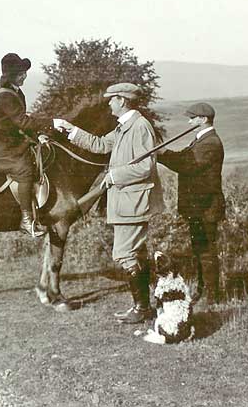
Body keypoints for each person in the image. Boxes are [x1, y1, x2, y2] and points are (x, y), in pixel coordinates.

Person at [54, 83, 164, 323]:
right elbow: (100, 145)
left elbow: (146, 166)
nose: (108, 103)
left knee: (124, 253)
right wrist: (70, 130)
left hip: (133, 201)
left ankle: (141, 308)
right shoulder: (125, 127)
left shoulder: (139, 127)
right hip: (126, 200)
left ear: (122, 100)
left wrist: (114, 175)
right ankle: (143, 306)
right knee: (133, 252)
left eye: (111, 99)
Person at [0, 53, 52, 237]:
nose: (24, 76)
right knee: (25, 170)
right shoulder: (5, 96)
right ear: (13, 75)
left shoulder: (15, 92)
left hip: (9, 143)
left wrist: (38, 136)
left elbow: (21, 124)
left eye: (24, 72)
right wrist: (51, 123)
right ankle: (26, 221)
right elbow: (23, 122)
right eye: (21, 73)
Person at [157, 102, 225, 306]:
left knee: (206, 251)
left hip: (206, 208)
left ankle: (212, 297)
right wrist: (163, 154)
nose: (189, 121)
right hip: (198, 207)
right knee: (199, 250)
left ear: (203, 119)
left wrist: (161, 155)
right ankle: (203, 292)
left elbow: (186, 165)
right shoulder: (201, 140)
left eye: (193, 118)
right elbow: (183, 158)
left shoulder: (210, 143)